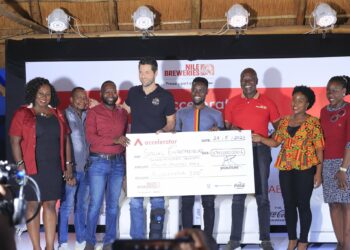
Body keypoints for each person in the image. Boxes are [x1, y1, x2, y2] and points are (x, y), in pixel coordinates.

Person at [253, 86, 324, 250]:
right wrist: (260, 138)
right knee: (288, 205)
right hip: (286, 168)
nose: (295, 103)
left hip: (306, 168)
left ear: (308, 104)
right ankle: (292, 239)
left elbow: (319, 148)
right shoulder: (284, 121)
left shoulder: (313, 123)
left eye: (300, 100)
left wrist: (318, 173)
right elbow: (275, 142)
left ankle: (303, 241)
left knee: (303, 205)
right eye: (294, 100)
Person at [9, 77, 73, 250]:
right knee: (33, 205)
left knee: (51, 205)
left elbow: (66, 139)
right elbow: (15, 140)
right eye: (40, 93)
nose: (44, 97)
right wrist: (21, 165)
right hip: (32, 167)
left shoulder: (57, 113)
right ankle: (37, 247)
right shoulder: (23, 114)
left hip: (53, 167)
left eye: (48, 93)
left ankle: (50, 246)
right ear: (33, 94)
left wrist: (68, 164)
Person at [224, 68, 280, 250]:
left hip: (260, 151)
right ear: (240, 81)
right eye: (243, 79)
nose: (247, 82)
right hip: (239, 152)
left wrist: (266, 140)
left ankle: (265, 239)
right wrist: (232, 130)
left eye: (250, 79)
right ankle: (234, 240)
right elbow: (227, 128)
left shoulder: (268, 102)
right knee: (237, 196)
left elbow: (280, 127)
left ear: (256, 81)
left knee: (262, 196)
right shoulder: (232, 103)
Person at [122, 57, 176, 239]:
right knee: (135, 201)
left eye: (146, 72)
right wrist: (103, 109)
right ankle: (137, 241)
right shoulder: (133, 92)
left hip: (157, 155)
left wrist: (164, 130)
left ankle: (155, 240)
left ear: (155, 73)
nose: (143, 76)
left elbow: (171, 123)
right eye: (140, 71)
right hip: (135, 154)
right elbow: (122, 112)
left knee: (157, 199)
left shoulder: (166, 97)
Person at [175, 77, 223, 240]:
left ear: (207, 92)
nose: (197, 93)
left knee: (208, 203)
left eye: (201, 90)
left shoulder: (216, 115)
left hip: (208, 166)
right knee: (186, 203)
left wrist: (219, 133)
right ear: (191, 89)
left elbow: (223, 142)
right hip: (187, 165)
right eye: (195, 89)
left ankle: (208, 239)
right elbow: (176, 139)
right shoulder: (181, 113)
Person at [84, 81, 129, 250]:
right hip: (98, 162)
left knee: (112, 204)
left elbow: (124, 137)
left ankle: (109, 241)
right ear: (101, 94)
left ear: (117, 93)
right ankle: (90, 241)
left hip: (118, 163)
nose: (110, 94)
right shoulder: (94, 112)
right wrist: (115, 140)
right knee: (95, 203)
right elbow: (91, 137)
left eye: (113, 91)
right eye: (107, 91)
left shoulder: (123, 113)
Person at [320, 76, 350, 250]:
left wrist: (343, 169)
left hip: (345, 164)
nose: (330, 93)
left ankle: (347, 245)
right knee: (333, 203)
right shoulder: (324, 111)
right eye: (328, 90)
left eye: (335, 90)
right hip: (327, 163)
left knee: (346, 204)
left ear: (344, 92)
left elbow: (349, 142)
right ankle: (340, 243)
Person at [58, 87, 90, 250]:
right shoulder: (64, 115)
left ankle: (81, 240)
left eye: (84, 98)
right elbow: (62, 144)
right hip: (71, 170)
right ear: (71, 99)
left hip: (86, 170)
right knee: (66, 206)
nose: (82, 100)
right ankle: (63, 242)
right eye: (78, 97)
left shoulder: (87, 115)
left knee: (81, 207)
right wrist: (66, 169)